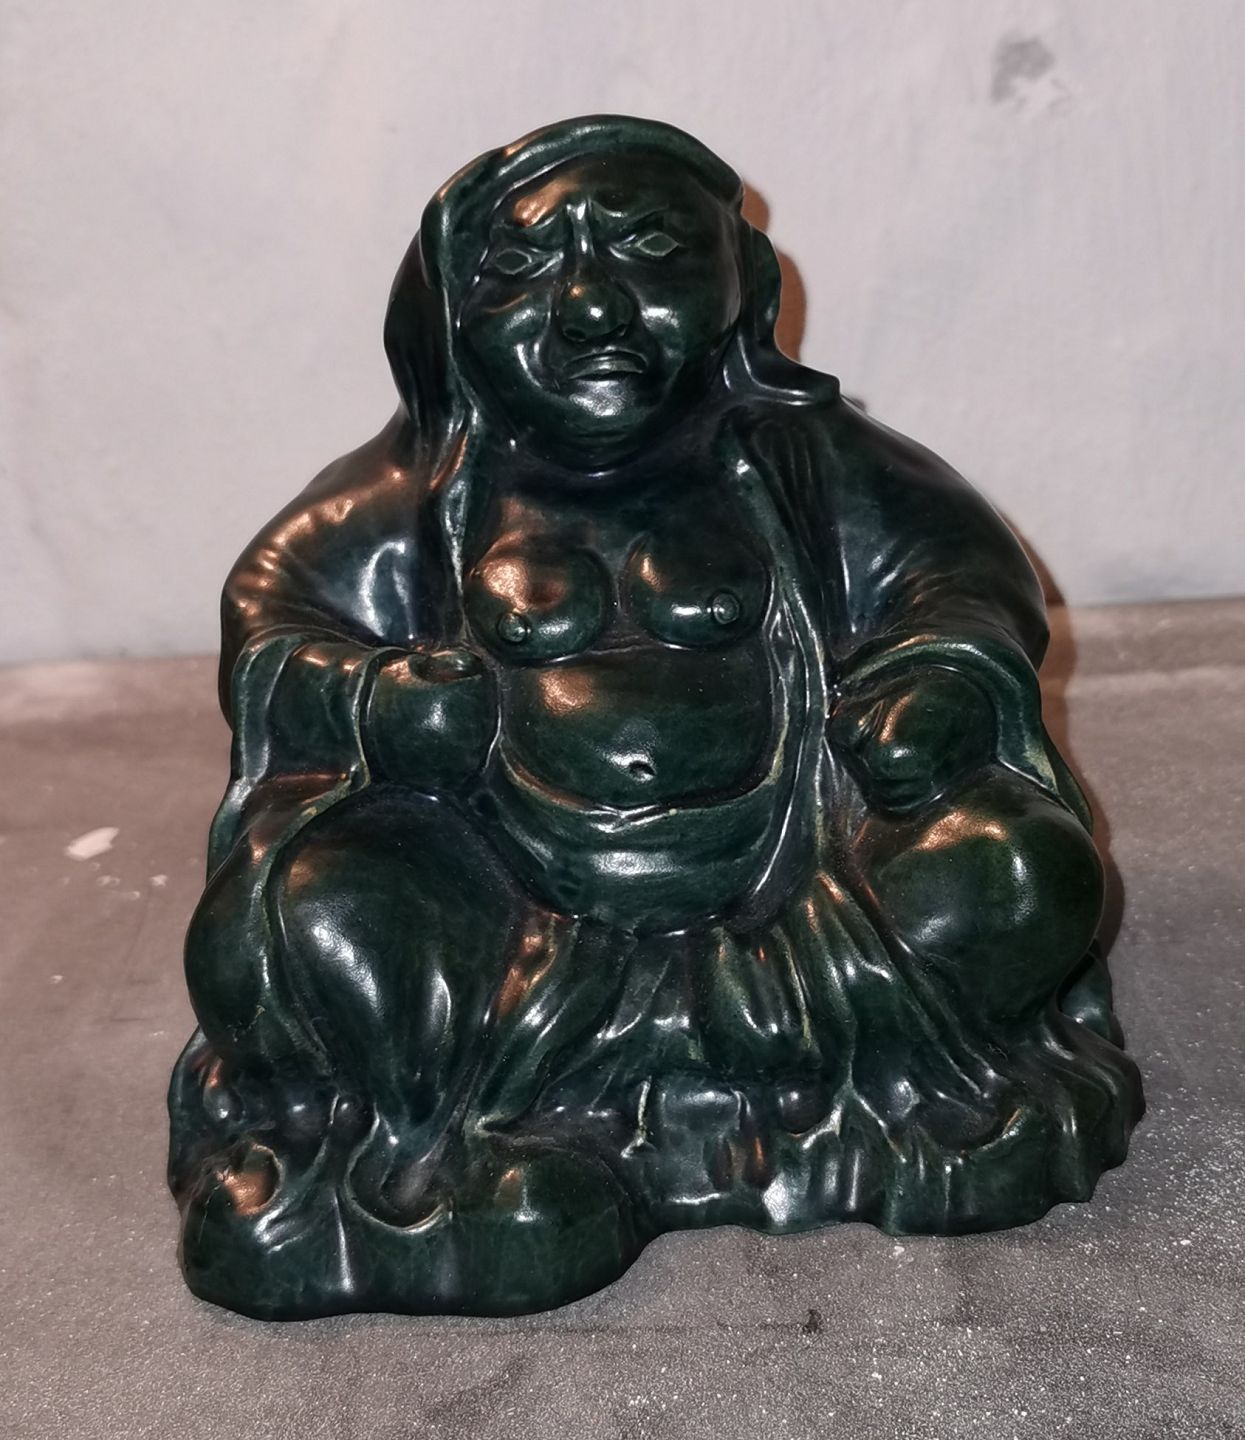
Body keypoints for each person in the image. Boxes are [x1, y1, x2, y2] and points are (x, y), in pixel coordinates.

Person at [168, 115, 1142, 1319]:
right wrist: (370, 701)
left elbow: (958, 579)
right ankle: (436, 1155)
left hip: (805, 910)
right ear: (446, 318)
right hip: (510, 929)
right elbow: (274, 624)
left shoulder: (810, 461)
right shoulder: (411, 496)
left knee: (1019, 869)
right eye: (523, 267)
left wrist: (936, 682)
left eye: (650, 252)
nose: (591, 308)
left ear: (745, 286)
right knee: (313, 907)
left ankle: (705, 1087)